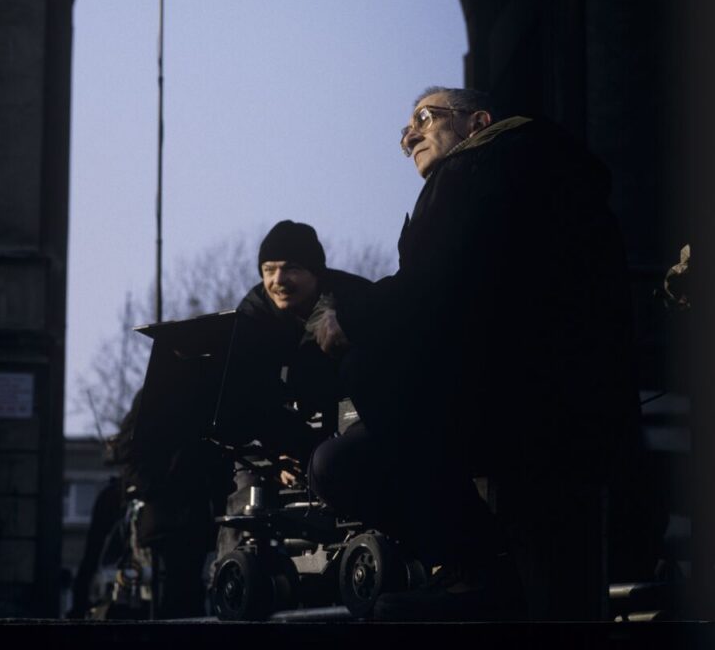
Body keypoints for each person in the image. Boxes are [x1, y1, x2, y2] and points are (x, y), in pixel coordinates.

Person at [309, 87, 642, 620]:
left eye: (424, 117)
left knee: (363, 389)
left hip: (521, 403)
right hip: (581, 403)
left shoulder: (473, 170)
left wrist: (346, 318)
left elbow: (431, 288)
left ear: (476, 122)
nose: (411, 134)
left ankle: (476, 566)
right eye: (404, 131)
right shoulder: (549, 175)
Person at [213, 220, 372, 564]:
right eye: (268, 270)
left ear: (316, 272)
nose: (277, 281)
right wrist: (279, 451)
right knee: (246, 493)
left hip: (350, 425)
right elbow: (248, 393)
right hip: (281, 434)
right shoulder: (252, 316)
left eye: (290, 269)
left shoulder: (354, 299)